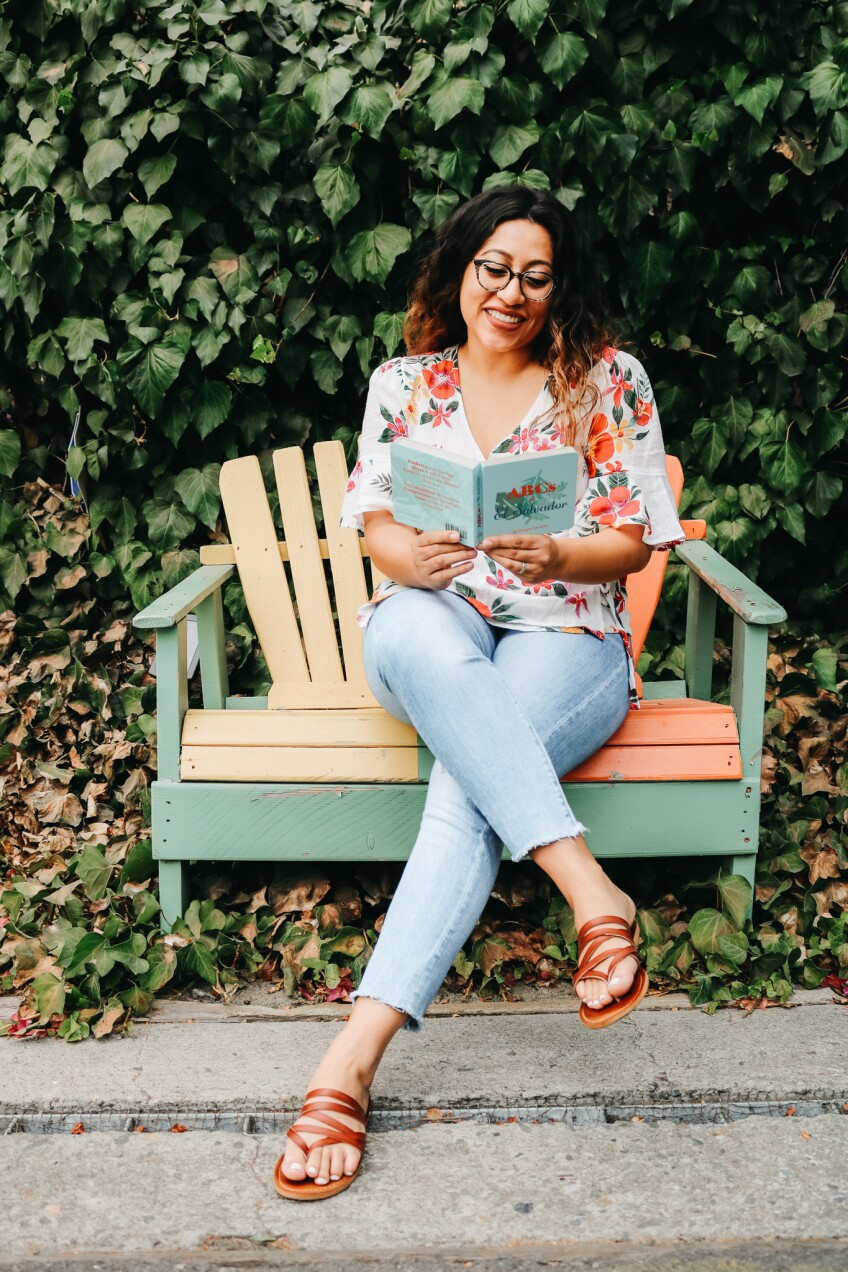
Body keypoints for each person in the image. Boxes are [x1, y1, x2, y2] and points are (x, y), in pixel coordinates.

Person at [274, 187, 685, 1201]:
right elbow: (370, 518)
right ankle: (592, 893)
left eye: (533, 276)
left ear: (558, 289)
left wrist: (558, 550)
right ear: (457, 270)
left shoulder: (605, 382)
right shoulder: (403, 384)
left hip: (565, 632)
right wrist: (408, 554)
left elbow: (633, 539)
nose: (509, 292)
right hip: (432, 620)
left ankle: (347, 1067)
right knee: (422, 637)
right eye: (491, 268)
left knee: (467, 786)